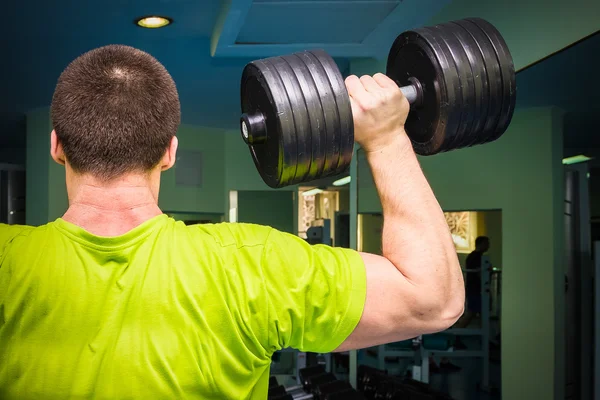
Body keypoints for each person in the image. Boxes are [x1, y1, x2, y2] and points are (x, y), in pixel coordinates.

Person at [0, 45, 464, 399]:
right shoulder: (250, 265)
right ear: (169, 153)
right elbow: (435, 300)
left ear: (56, 146)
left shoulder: (8, 261)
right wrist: (385, 138)